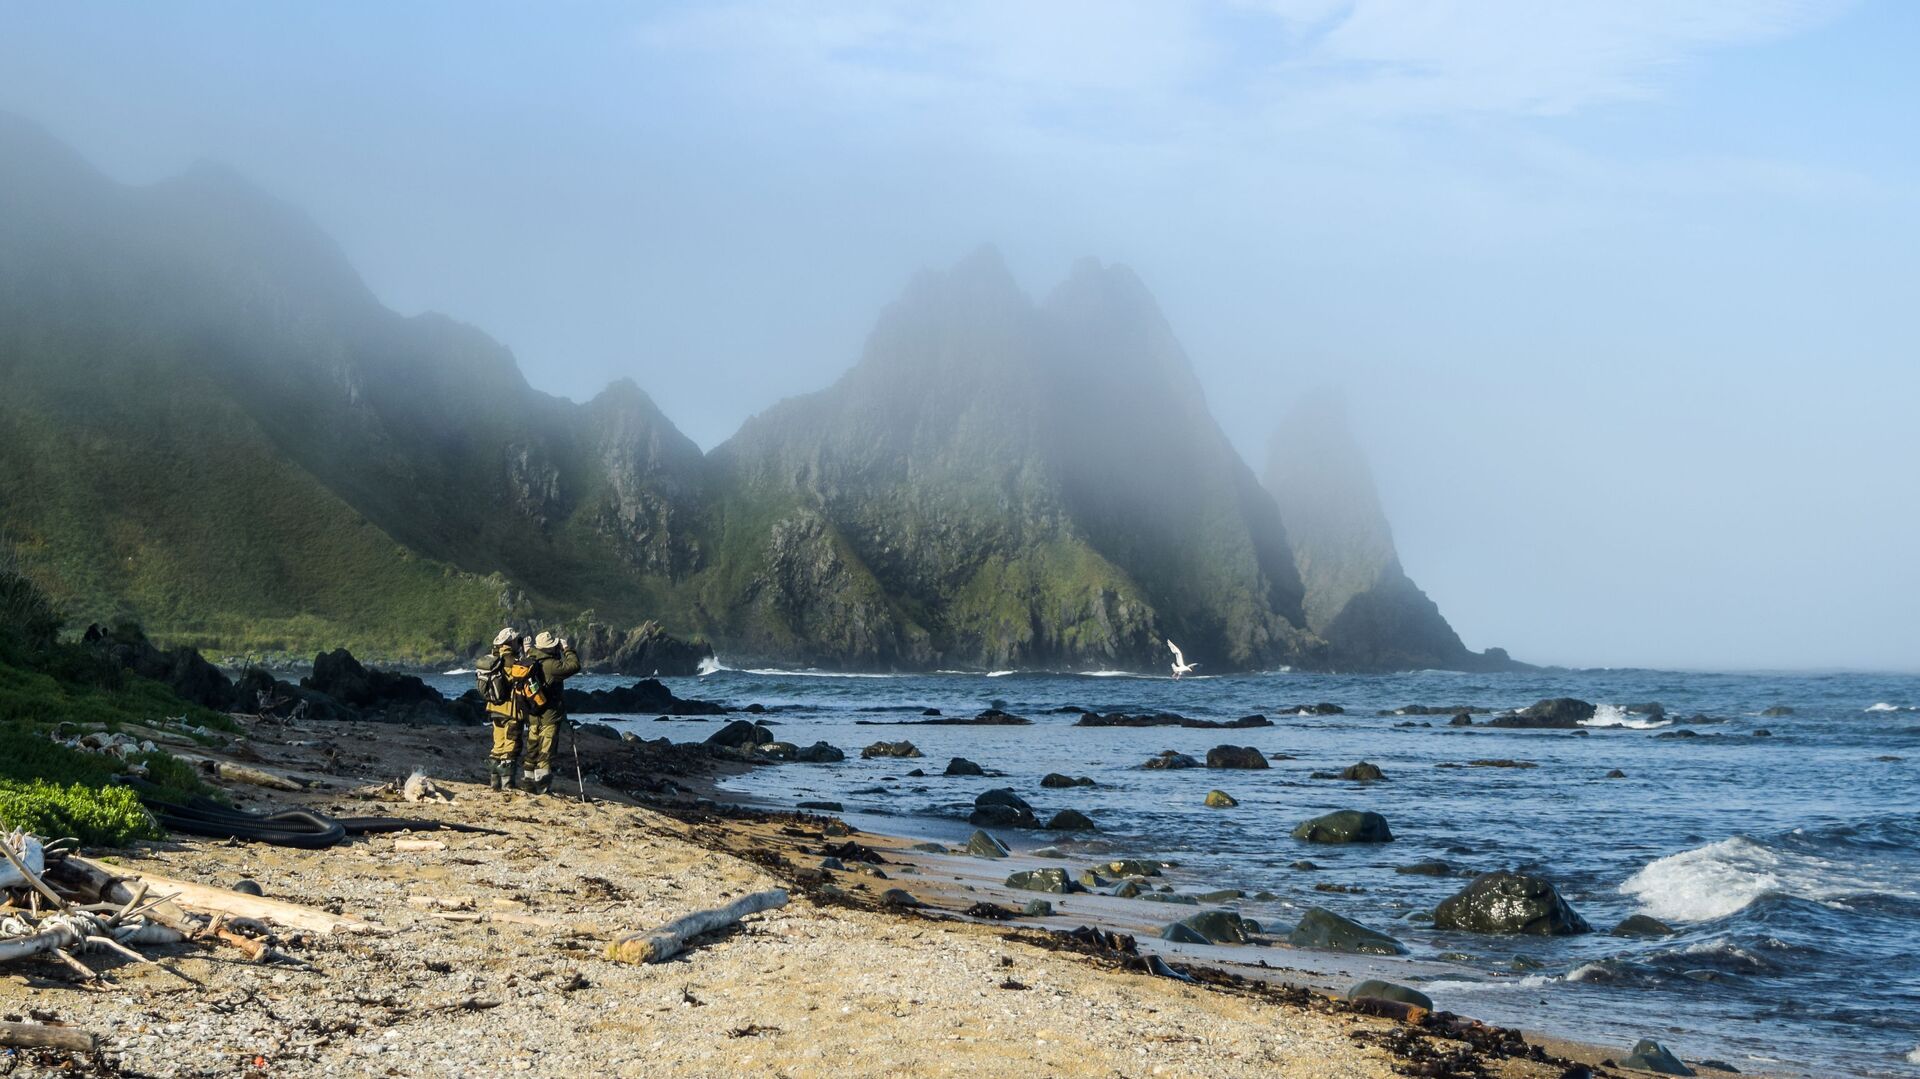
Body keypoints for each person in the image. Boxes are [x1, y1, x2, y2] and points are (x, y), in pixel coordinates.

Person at [517, 630, 581, 795]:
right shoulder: (552, 665)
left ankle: (528, 783)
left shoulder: (529, 659)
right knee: (545, 752)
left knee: (532, 750)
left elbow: (528, 651)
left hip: (532, 714)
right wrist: (567, 649)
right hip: (549, 716)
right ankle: (543, 787)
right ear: (550, 648)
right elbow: (574, 666)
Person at [476, 627, 527, 791]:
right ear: (510, 642)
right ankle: (507, 784)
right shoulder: (511, 659)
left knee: (497, 746)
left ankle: (494, 782)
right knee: (511, 747)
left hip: (493, 708)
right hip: (510, 710)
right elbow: (522, 675)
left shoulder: (494, 657)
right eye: (516, 640)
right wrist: (527, 654)